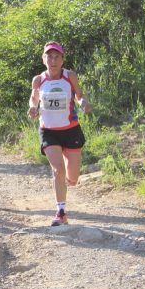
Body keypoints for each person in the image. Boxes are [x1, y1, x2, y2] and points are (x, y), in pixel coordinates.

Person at [27, 41, 92, 226]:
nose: (53, 60)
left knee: (72, 179)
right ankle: (61, 212)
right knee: (57, 170)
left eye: (57, 57)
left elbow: (79, 96)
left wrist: (84, 104)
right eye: (49, 56)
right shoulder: (38, 80)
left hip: (71, 130)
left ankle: (66, 178)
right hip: (48, 131)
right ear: (43, 59)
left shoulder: (69, 76)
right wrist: (32, 108)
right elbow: (34, 98)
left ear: (62, 60)